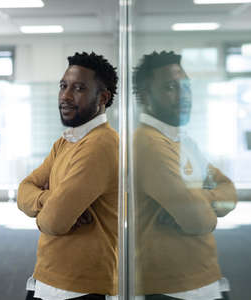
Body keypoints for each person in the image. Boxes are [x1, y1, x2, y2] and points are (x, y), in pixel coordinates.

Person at [132, 51, 237, 300]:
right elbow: (198, 220)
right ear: (146, 96)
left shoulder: (184, 141)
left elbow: (229, 190)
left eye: (186, 86)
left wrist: (197, 199)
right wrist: (203, 203)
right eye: (170, 87)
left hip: (205, 279)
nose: (184, 95)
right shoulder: (149, 144)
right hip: (172, 289)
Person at [17, 52, 119, 300]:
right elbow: (23, 189)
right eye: (63, 86)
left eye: (79, 88)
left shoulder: (100, 145)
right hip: (48, 279)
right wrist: (50, 198)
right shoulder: (65, 142)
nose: (65, 95)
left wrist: (49, 206)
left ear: (102, 98)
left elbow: (54, 221)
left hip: (80, 288)